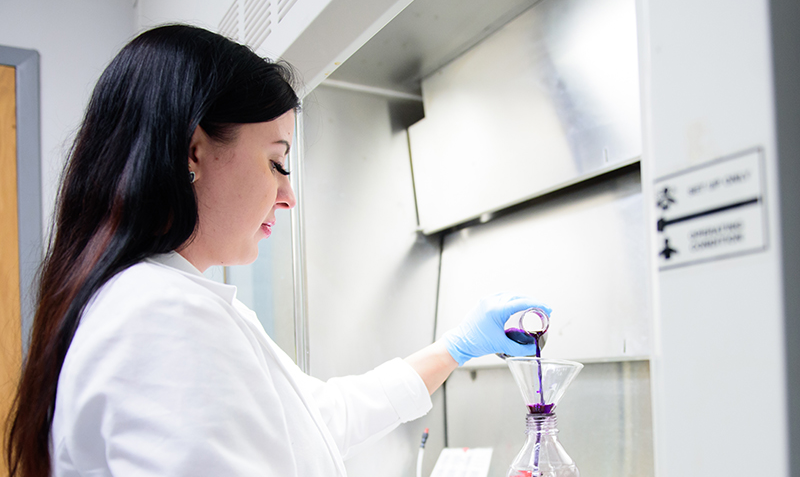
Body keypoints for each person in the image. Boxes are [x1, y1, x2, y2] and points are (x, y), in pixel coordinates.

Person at [5, 24, 549, 477]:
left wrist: (456, 347)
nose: (287, 196)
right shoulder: (160, 314)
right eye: (276, 161)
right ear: (193, 150)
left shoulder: (160, 300)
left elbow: (319, 417)